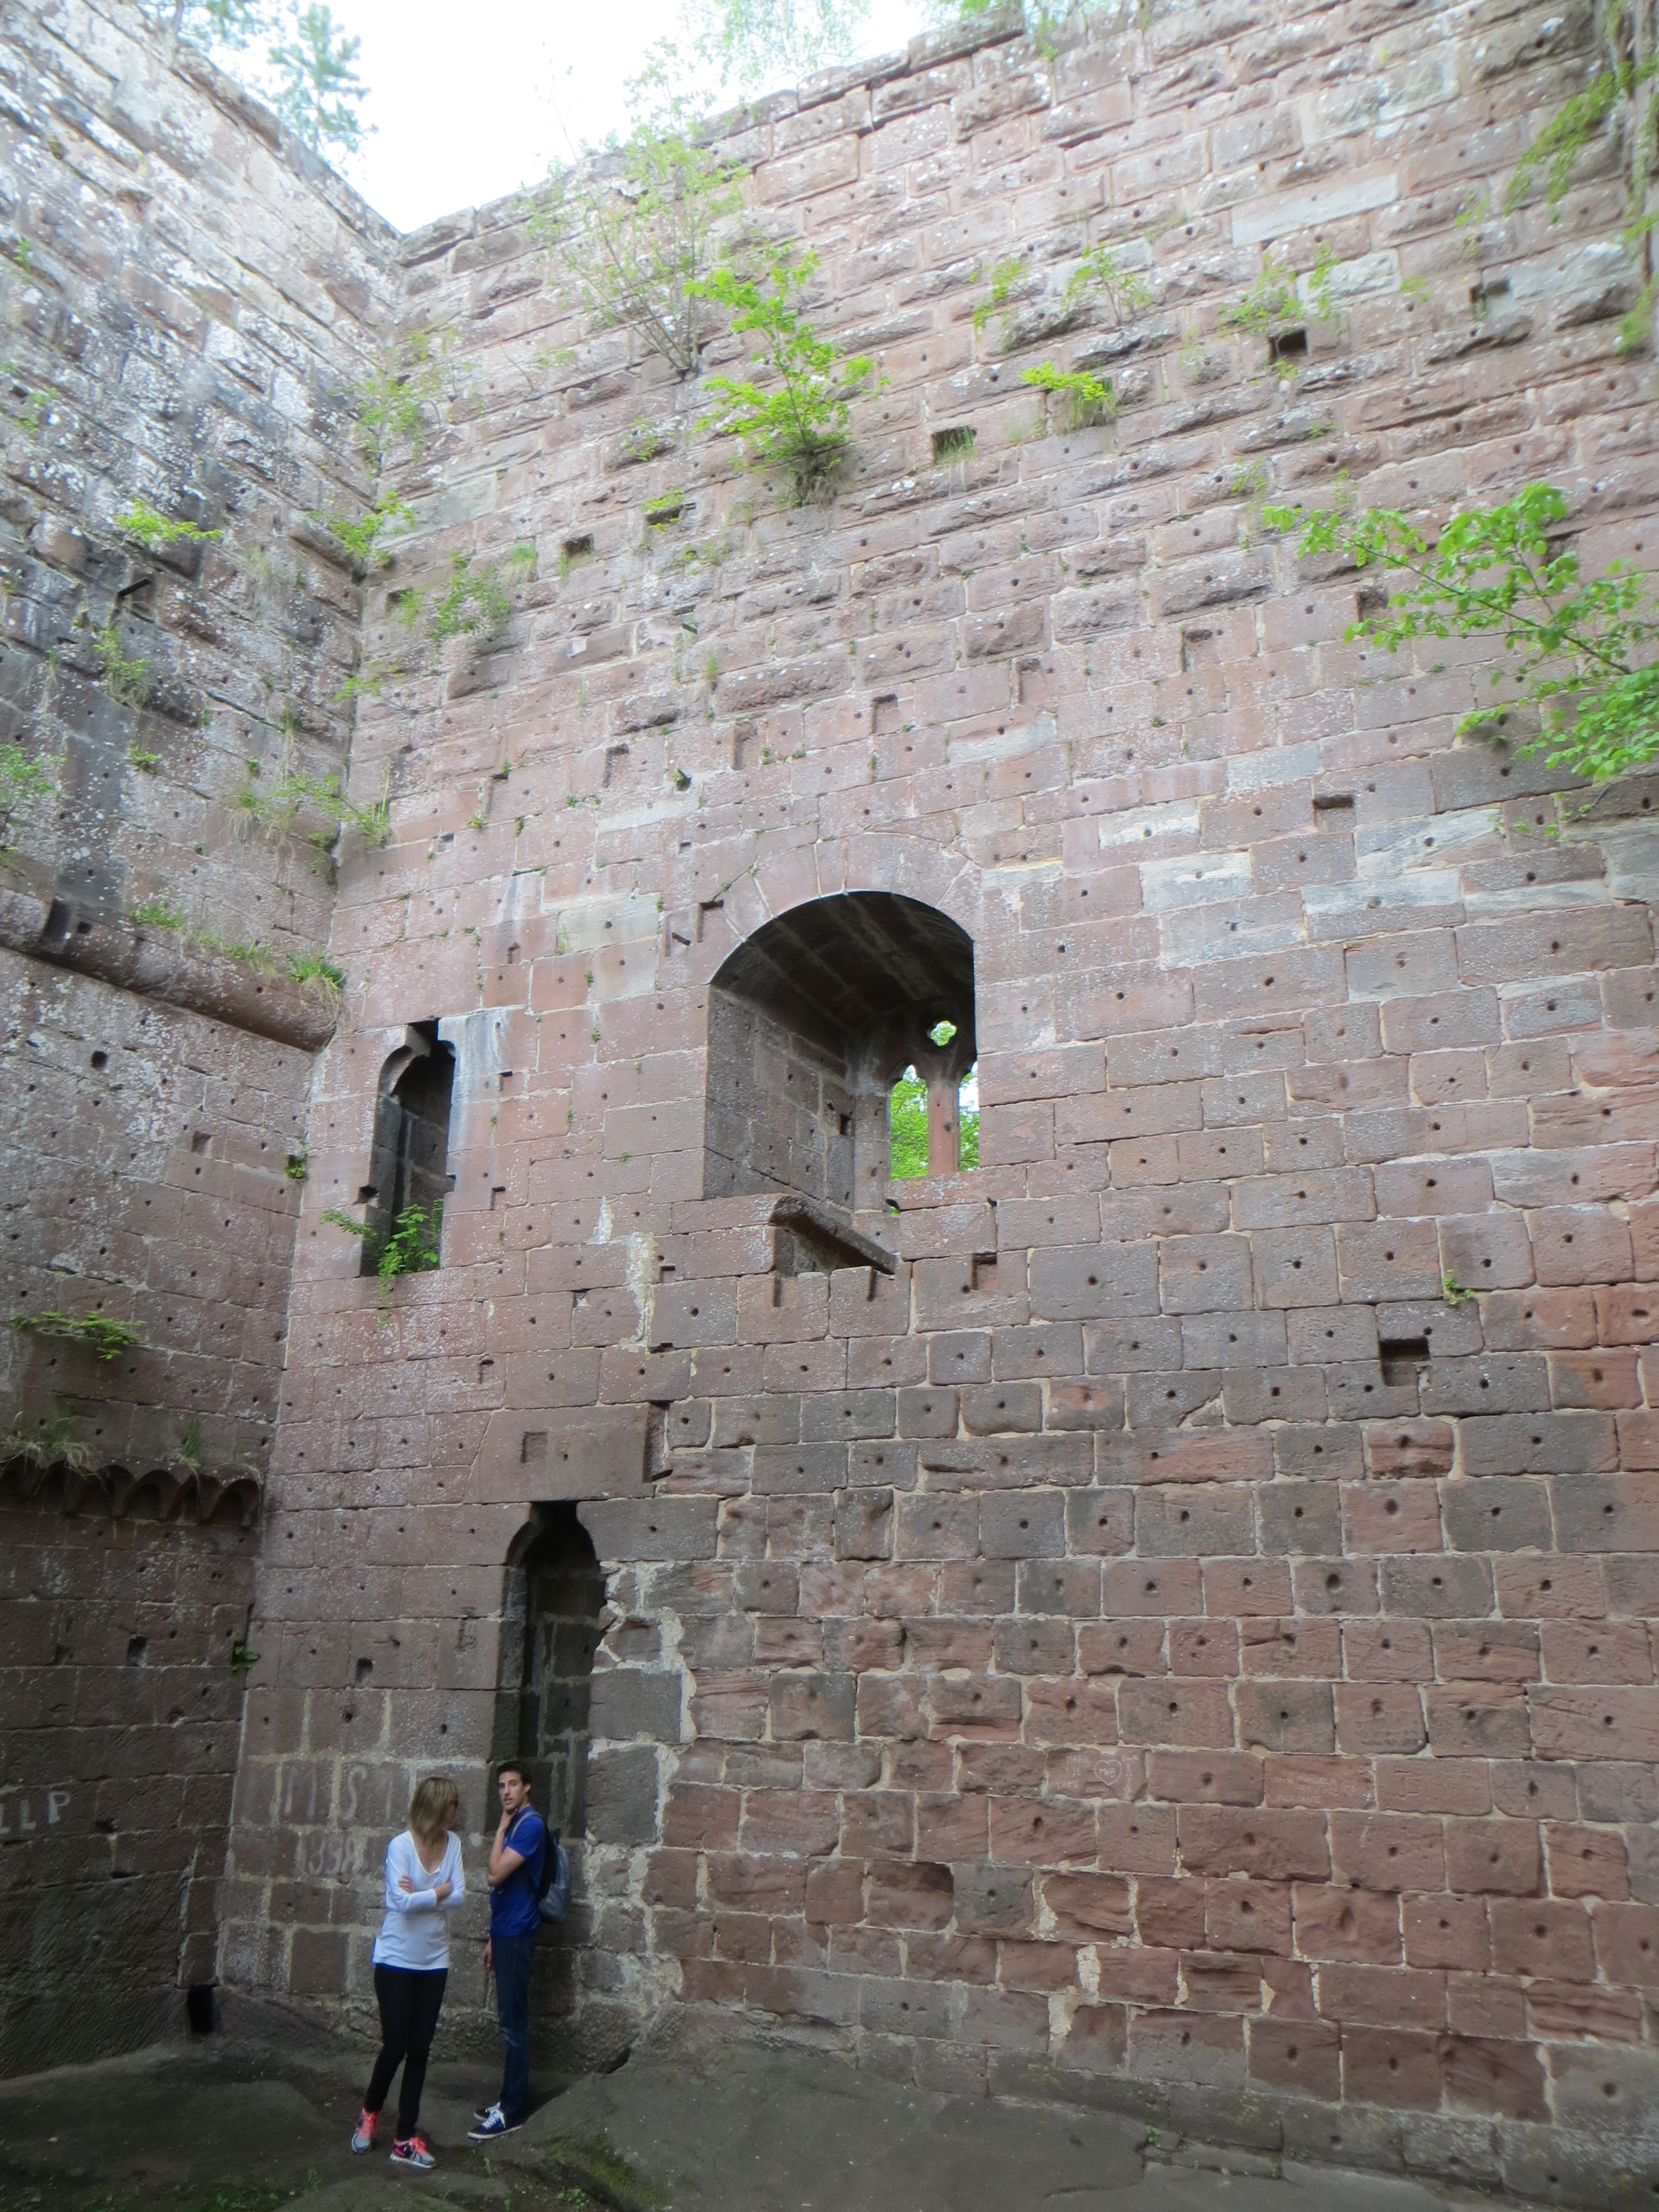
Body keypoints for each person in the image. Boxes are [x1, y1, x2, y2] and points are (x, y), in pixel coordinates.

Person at [352, 1774, 465, 2172]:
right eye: (451, 1805)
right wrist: (438, 1892)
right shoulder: (400, 1846)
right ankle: (370, 2112)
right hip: (395, 1960)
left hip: (434, 1961)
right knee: (395, 2045)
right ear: (434, 1807)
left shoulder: (454, 1844)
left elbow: (461, 1895)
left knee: (420, 2050)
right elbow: (398, 1902)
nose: (456, 1812)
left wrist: (420, 1894)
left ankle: (404, 2139)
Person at [468, 1761, 546, 2142]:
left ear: (527, 1787)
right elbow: (503, 1891)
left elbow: (495, 1875)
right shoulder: (517, 1825)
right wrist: (492, 1939)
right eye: (502, 1786)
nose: (506, 1792)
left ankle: (512, 2110)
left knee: (514, 2025)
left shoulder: (530, 1826)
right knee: (509, 2021)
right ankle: (507, 2100)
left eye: (513, 1784)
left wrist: (499, 1829)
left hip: (519, 1933)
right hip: (506, 1933)